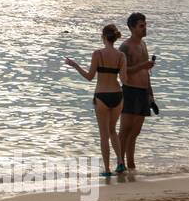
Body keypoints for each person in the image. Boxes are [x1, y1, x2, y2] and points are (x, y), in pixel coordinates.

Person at [64, 24, 127, 177]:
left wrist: (75, 65)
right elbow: (124, 79)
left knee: (104, 134)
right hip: (118, 95)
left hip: (102, 96)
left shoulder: (97, 54)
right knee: (113, 131)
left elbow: (89, 77)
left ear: (104, 37)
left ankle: (106, 169)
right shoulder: (121, 56)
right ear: (114, 38)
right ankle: (120, 162)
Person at [118, 13, 155, 171]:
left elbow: (146, 72)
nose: (144, 28)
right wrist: (142, 66)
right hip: (129, 90)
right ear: (132, 28)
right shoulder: (125, 47)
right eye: (141, 25)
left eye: (145, 24)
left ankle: (131, 164)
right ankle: (121, 163)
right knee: (125, 129)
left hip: (143, 91)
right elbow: (122, 73)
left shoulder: (143, 44)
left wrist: (151, 94)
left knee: (136, 131)